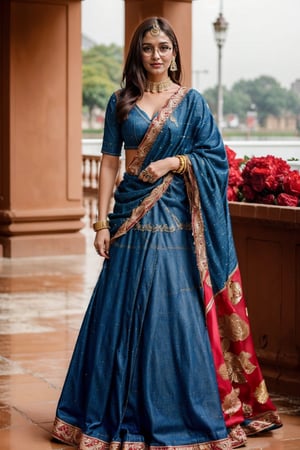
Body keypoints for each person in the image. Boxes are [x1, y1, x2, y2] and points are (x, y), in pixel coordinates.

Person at [52, 17, 282, 450]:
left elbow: (212, 157)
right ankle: (107, 412)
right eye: (148, 47)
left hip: (176, 225)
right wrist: (101, 222)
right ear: (137, 53)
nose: (156, 55)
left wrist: (175, 163)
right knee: (116, 315)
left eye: (164, 47)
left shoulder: (191, 103)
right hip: (129, 222)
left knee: (173, 317)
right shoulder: (120, 101)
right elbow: (107, 163)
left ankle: (179, 410)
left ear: (175, 52)